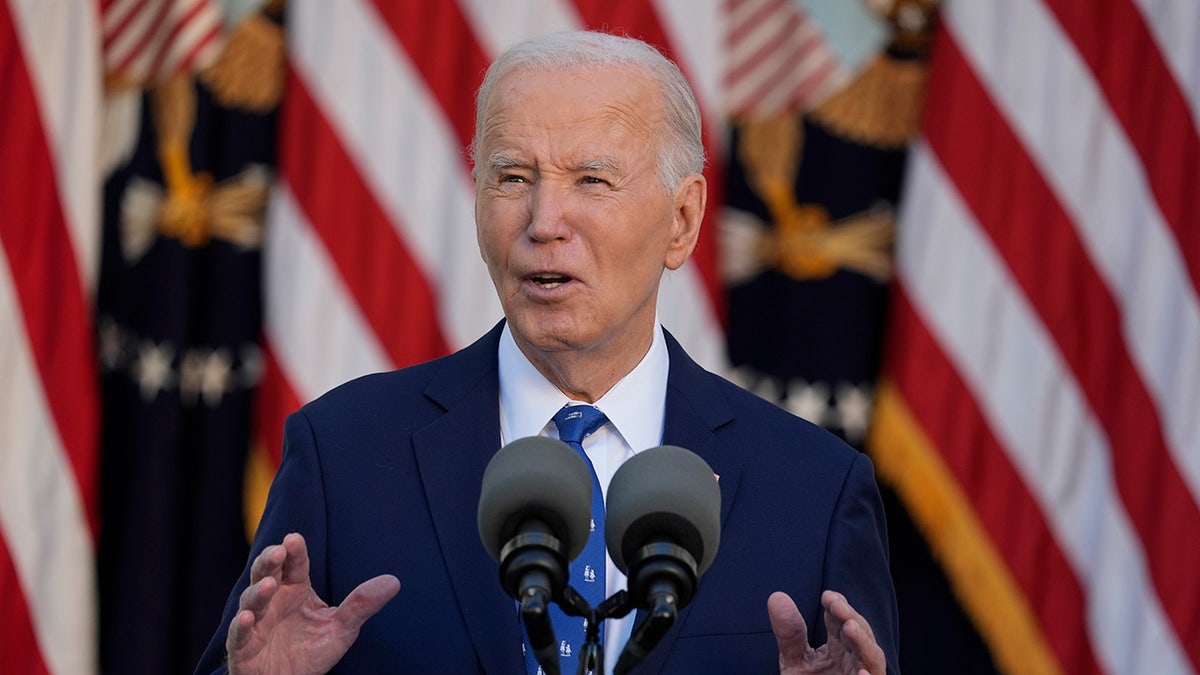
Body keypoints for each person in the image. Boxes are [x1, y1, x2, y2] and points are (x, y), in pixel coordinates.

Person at [196, 30, 899, 675]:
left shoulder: (814, 490)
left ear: (681, 221)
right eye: (512, 177)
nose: (543, 222)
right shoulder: (342, 453)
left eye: (591, 180)